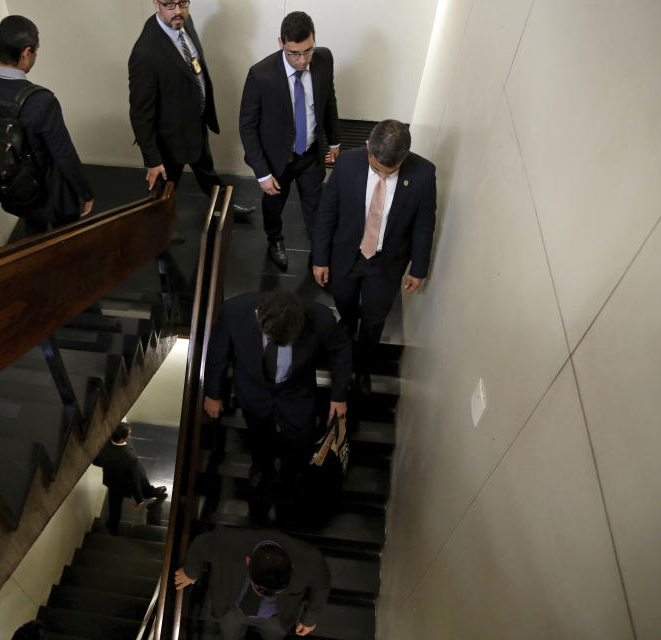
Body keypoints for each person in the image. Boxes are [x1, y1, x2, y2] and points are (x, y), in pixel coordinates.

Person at [312, 120, 436, 395]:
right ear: (368, 145)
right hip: (347, 254)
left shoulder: (424, 173)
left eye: (388, 171)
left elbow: (424, 223)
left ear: (404, 157)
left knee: (374, 319)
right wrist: (320, 258)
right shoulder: (347, 163)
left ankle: (364, 369)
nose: (381, 174)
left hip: (386, 262)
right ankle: (348, 321)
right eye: (375, 168)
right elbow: (327, 212)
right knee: (343, 298)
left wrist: (419, 266)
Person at [203, 288, 350, 520]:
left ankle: (290, 475)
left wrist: (339, 396)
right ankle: (262, 467)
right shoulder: (234, 310)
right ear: (256, 314)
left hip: (297, 395)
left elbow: (341, 351)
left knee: (300, 440)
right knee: (259, 434)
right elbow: (217, 351)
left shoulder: (321, 317)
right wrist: (213, 393)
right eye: (270, 337)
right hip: (253, 392)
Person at [0, 15, 94, 242]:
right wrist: (85, 192)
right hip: (49, 194)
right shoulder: (41, 101)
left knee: (33, 230)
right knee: (70, 236)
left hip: (12, 187)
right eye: (36, 52)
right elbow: (64, 154)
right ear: (26, 52)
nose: (35, 57)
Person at [128, 0, 253, 235]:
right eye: (169, 4)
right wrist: (152, 159)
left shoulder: (183, 21)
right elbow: (139, 113)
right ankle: (159, 230)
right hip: (169, 137)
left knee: (206, 170)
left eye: (183, 3)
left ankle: (223, 205)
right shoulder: (145, 53)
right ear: (156, 3)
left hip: (194, 123)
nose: (178, 11)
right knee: (164, 188)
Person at [238, 11, 340, 271]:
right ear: (281, 42)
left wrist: (335, 141)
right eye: (294, 53)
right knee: (273, 207)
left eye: (308, 51)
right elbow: (247, 126)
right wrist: (261, 173)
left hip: (310, 155)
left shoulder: (324, 59)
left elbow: (329, 101)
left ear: (314, 40)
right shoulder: (260, 75)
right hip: (276, 159)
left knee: (317, 207)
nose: (303, 60)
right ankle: (275, 240)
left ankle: (320, 252)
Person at [174, 527, 330, 639]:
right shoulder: (227, 543)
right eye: (259, 588)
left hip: (277, 616)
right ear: (248, 562)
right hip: (232, 609)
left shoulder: (310, 560)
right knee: (230, 635)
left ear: (292, 566)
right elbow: (201, 543)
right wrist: (190, 571)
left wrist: (310, 618)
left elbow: (322, 585)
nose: (265, 596)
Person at [93, 422, 167, 535]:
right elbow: (135, 481)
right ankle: (156, 493)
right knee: (144, 487)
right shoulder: (130, 458)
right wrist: (139, 500)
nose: (130, 432)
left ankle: (112, 526)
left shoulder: (105, 445)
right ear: (123, 439)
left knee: (114, 506)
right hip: (130, 477)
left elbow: (95, 461)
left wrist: (110, 465)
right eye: (129, 433)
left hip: (113, 481)